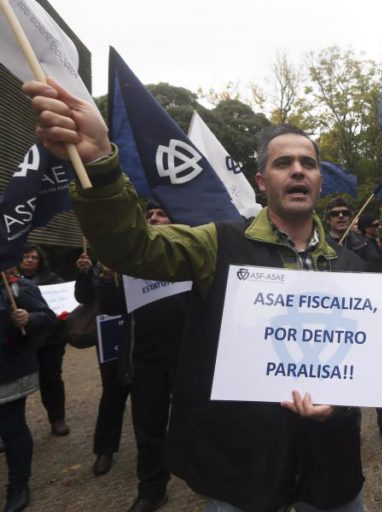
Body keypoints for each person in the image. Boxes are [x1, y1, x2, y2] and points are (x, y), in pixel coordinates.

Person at [24, 77, 364, 512]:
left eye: (308, 163)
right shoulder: (216, 243)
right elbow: (133, 247)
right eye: (284, 163)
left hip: (330, 471)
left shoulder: (352, 266)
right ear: (263, 181)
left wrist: (342, 405)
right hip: (243, 471)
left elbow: (362, 365)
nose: (298, 170)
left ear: (318, 180)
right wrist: (99, 161)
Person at [324, 200, 382, 446]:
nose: (340, 217)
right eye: (334, 214)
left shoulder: (366, 242)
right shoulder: (320, 245)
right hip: (338, 318)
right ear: (328, 218)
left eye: (345, 213)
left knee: (381, 367)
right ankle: (349, 425)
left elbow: (377, 270)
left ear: (352, 218)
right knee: (342, 369)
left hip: (370, 314)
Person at [125, 202, 190, 512]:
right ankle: (151, 488)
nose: (153, 218)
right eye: (149, 215)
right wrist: (102, 275)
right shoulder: (132, 258)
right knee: (148, 422)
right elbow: (109, 303)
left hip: (190, 351)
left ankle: (210, 473)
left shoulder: (195, 253)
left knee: (198, 417)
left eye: (161, 213)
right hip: (147, 355)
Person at [0, 269, 56, 512]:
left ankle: (18, 486)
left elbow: (48, 317)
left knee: (11, 427)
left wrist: (29, 319)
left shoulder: (17, 288)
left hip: (8, 371)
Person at [74, 256, 131, 479]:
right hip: (112, 335)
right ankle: (105, 450)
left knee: (150, 393)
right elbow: (84, 297)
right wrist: (86, 274)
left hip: (143, 330)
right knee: (112, 392)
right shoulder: (101, 264)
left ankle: (157, 448)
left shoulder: (146, 258)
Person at [17, 244, 69, 436]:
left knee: (51, 379)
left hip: (49, 340)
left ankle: (57, 418)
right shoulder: (9, 281)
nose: (30, 260)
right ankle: (12, 427)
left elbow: (65, 301)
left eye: (34, 257)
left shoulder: (52, 280)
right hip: (21, 341)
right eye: (26, 256)